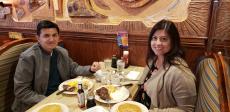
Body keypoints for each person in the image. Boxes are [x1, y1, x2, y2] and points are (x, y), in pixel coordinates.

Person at [11, 20, 100, 112]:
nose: (51, 39)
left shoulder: (61, 52)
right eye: (46, 36)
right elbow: (21, 91)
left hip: (61, 96)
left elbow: (73, 68)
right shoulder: (28, 57)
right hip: (38, 103)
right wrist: (47, 100)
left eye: (54, 35)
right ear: (38, 38)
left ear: (58, 36)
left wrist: (90, 69)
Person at [142, 19, 197, 111]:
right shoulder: (154, 59)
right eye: (154, 38)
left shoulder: (180, 74)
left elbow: (186, 110)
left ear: (173, 42)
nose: (158, 43)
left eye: (164, 39)